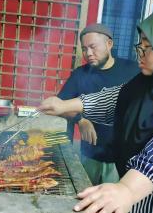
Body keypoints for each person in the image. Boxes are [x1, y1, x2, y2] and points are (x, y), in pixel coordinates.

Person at [39, 7, 153, 213]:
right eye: (139, 46)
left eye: (147, 48)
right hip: (134, 200)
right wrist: (64, 105)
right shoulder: (146, 82)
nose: (139, 55)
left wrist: (127, 189)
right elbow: (114, 99)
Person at [57, 23, 138, 185]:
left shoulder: (133, 70)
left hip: (125, 159)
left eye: (93, 47)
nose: (88, 53)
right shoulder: (80, 74)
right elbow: (61, 105)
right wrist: (81, 120)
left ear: (109, 44)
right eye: (85, 49)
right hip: (91, 156)